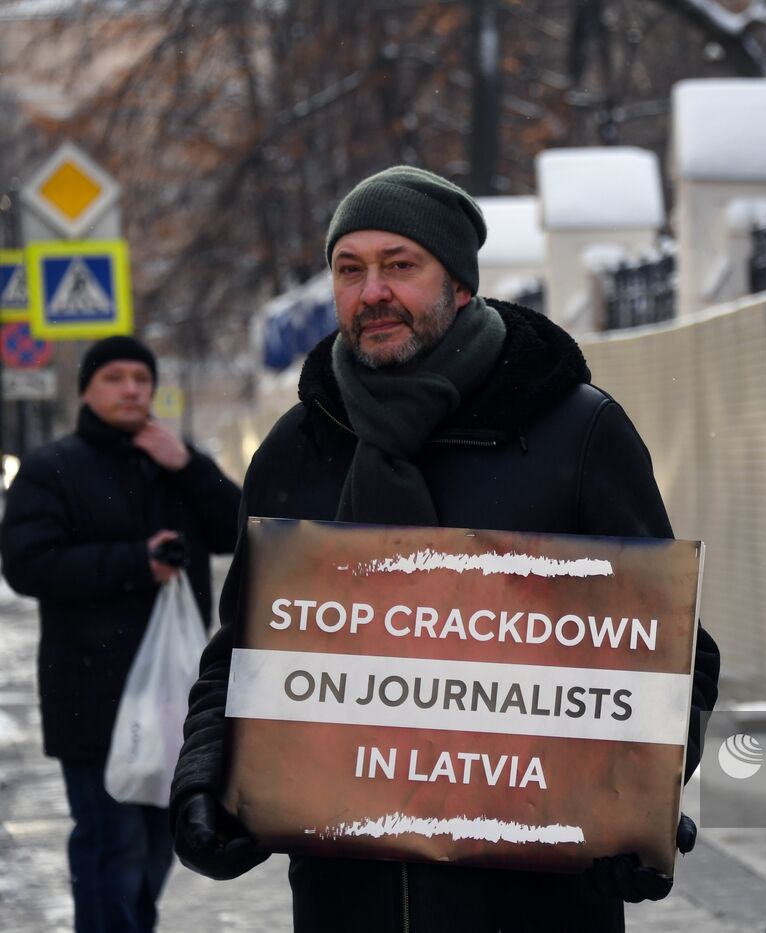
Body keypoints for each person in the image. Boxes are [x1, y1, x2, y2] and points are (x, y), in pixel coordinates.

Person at [167, 165, 721, 932]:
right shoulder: (298, 449)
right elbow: (245, 652)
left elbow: (671, 654)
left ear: (458, 283)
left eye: (400, 265)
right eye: (350, 269)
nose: (373, 293)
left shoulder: (573, 431)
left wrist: (638, 796)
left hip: (531, 901)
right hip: (347, 899)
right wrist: (206, 779)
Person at [0, 335, 242, 933]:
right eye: (115, 378)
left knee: (161, 841)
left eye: (141, 377)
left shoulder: (171, 460)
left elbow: (239, 529)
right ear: (86, 388)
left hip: (173, 691)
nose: (132, 389)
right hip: (90, 692)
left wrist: (190, 467)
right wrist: (136, 563)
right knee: (111, 843)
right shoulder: (53, 467)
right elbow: (27, 564)